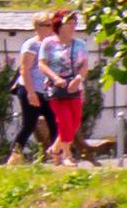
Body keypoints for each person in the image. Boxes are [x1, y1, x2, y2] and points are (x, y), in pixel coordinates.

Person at [20, 9, 97, 167]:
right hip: (55, 89)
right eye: (68, 23)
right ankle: (66, 154)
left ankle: (55, 149)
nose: (72, 26)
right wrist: (55, 78)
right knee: (65, 122)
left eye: (74, 23)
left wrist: (78, 78)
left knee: (75, 123)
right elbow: (42, 64)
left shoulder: (80, 44)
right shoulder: (48, 43)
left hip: (75, 88)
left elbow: (84, 65)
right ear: (59, 25)